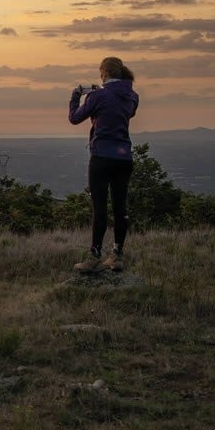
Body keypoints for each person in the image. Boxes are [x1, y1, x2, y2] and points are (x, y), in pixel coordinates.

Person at [68, 56, 139, 273]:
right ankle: (117, 256)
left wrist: (76, 95)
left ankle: (94, 257)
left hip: (101, 156)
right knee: (120, 207)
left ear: (104, 73)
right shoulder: (132, 96)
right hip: (124, 157)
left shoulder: (98, 96)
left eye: (101, 73)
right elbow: (127, 112)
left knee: (99, 209)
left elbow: (74, 118)